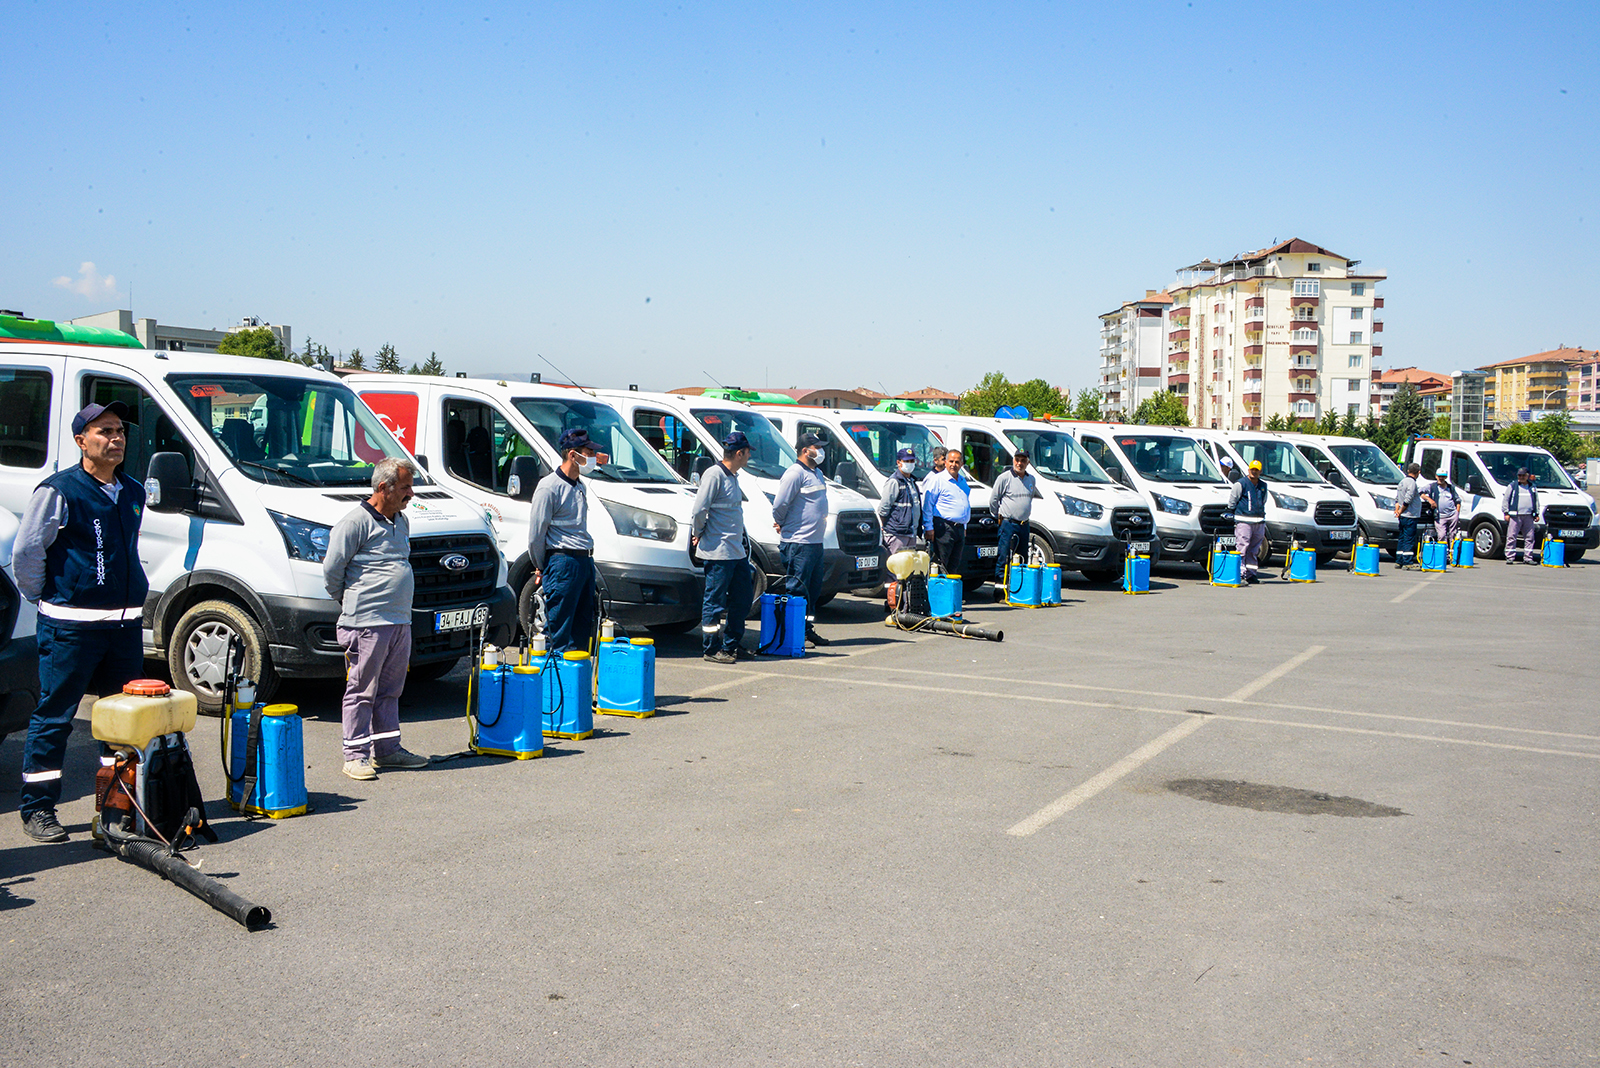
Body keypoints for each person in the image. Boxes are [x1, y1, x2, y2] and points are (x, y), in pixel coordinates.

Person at [13, 402, 147, 842]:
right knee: (56, 717)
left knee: (123, 722)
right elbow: (28, 554)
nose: (116, 438)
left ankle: (117, 806)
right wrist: (49, 599)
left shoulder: (131, 490)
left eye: (120, 431)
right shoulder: (59, 491)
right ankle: (38, 808)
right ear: (80, 441)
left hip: (123, 628)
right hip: (71, 627)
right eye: (104, 431)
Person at [323, 457, 429, 781]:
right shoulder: (355, 523)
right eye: (405, 487)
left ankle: (387, 750)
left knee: (391, 689)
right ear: (383, 488)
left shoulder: (401, 521)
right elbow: (332, 570)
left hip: (399, 621)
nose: (411, 493)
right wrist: (350, 601)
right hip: (366, 621)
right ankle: (355, 756)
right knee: (361, 688)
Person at [528, 429, 609, 653]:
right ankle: (553, 682)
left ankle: (574, 682)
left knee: (583, 628)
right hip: (563, 562)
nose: (593, 457)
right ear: (573, 455)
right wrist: (542, 566)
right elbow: (536, 534)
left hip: (583, 562)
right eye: (588, 452)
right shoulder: (549, 487)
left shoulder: (579, 485)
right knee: (558, 627)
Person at [691, 431, 753, 664]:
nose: (748, 458)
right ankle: (711, 648)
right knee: (715, 602)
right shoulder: (714, 475)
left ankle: (731, 645)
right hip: (718, 552)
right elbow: (699, 510)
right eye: (747, 454)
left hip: (735, 552)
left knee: (743, 599)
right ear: (739, 453)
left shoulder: (733, 477)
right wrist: (698, 533)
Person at [770, 432, 830, 647]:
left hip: (815, 543)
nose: (821, 451)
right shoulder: (794, 473)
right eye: (817, 447)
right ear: (806, 450)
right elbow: (780, 505)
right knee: (797, 589)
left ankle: (806, 629)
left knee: (812, 592)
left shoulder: (817, 473)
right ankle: (793, 633)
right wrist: (782, 523)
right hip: (799, 543)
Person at [876, 447, 923, 610]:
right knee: (895, 571)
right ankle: (892, 604)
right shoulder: (894, 482)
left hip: (910, 532)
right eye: (907, 461)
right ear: (898, 463)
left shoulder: (911, 482)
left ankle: (904, 604)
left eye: (912, 461)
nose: (910, 464)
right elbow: (883, 509)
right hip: (896, 532)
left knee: (908, 570)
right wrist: (886, 529)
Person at [990, 450, 1039, 582]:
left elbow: (1029, 499)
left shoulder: (1031, 479)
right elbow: (994, 500)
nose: (1019, 463)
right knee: (1004, 558)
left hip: (1024, 525)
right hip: (1008, 524)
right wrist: (998, 516)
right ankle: (1000, 591)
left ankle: (1018, 591)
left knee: (1022, 559)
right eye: (1017, 460)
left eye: (1023, 461)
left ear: (1028, 462)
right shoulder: (1004, 478)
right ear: (1013, 460)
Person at [923, 448, 972, 577]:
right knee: (941, 564)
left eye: (957, 462)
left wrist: (964, 525)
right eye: (951, 461)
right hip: (944, 528)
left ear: (961, 464)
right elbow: (928, 505)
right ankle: (938, 595)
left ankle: (949, 595)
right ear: (945, 462)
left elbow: (964, 503)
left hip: (959, 529)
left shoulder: (962, 481)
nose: (953, 465)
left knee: (954, 566)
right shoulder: (937, 480)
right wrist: (928, 527)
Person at [1228, 458, 1269, 585]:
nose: (1254, 472)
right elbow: (1232, 501)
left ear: (1260, 471)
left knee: (1254, 550)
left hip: (1259, 522)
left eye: (1256, 470)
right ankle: (1239, 574)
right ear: (1248, 470)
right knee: (1242, 548)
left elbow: (1264, 500)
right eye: (1252, 470)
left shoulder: (1263, 486)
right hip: (1244, 521)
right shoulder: (1241, 484)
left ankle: (1251, 575)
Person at [1502, 466, 1539, 564]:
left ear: (1528, 476)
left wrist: (1536, 513)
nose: (1521, 477)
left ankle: (1528, 558)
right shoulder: (1512, 486)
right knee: (1511, 536)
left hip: (1528, 516)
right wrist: (1506, 512)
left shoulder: (1532, 487)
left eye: (1523, 475)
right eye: (1519, 475)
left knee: (1530, 537)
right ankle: (1510, 557)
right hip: (1515, 516)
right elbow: (1506, 500)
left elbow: (1536, 501)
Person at [1423, 464, 1462, 549]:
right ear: (1436, 476)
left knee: (1453, 535)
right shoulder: (1432, 487)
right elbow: (1419, 492)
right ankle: (1443, 554)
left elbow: (1457, 500)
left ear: (1446, 477)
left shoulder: (1450, 488)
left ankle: (1452, 554)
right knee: (1441, 536)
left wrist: (1457, 512)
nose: (1441, 478)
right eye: (1439, 476)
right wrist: (1430, 500)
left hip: (1452, 515)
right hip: (1440, 516)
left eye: (1443, 476)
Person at [1394, 462, 1423, 569]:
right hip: (1410, 515)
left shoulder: (1402, 482)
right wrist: (1401, 510)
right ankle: (1407, 562)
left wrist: (1397, 510)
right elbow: (1408, 499)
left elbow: (1397, 499)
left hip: (1403, 516)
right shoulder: (1412, 483)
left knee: (1402, 537)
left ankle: (1399, 560)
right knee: (1409, 539)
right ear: (1418, 472)